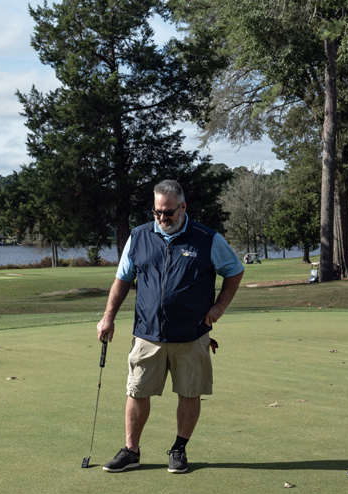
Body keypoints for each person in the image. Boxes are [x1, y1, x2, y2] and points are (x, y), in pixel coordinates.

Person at [96, 180, 244, 474]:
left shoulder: (206, 238)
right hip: (147, 334)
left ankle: (179, 449)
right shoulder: (138, 237)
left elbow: (234, 271)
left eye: (168, 212)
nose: (162, 218)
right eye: (157, 212)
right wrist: (108, 317)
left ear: (183, 207)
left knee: (189, 393)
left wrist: (219, 307)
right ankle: (131, 450)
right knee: (137, 391)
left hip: (191, 334)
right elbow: (122, 280)